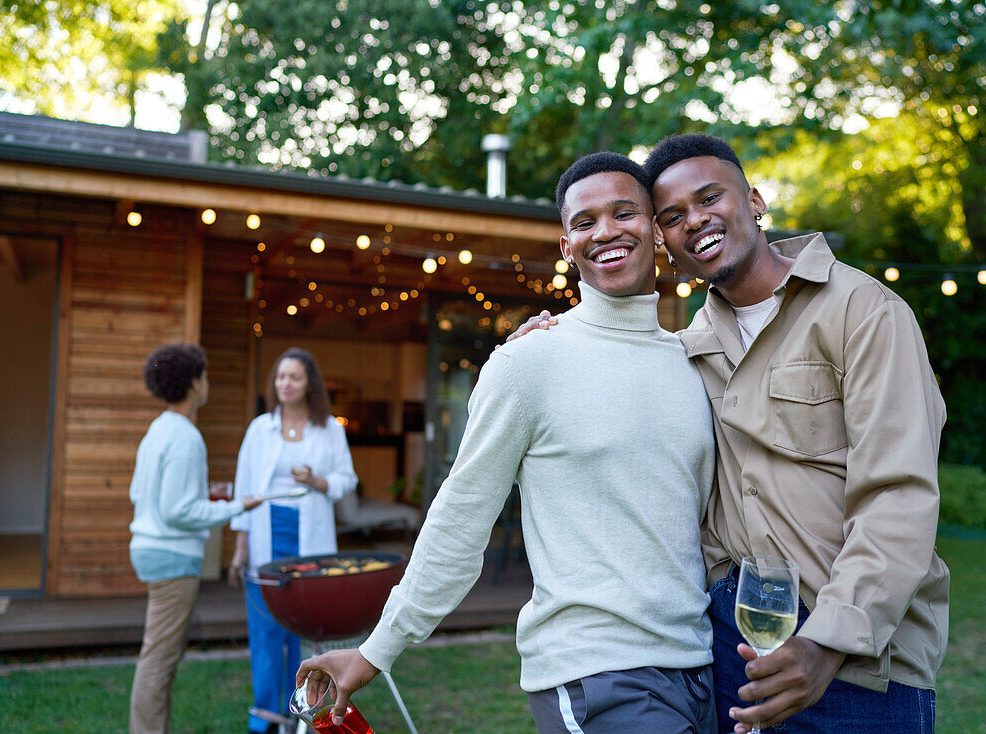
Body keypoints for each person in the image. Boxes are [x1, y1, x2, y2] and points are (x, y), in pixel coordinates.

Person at [514, 134, 950, 733]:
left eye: (709, 197)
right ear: (664, 241)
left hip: (855, 660)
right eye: (672, 216)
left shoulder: (863, 311)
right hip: (732, 652)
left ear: (754, 200)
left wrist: (826, 643)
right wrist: (554, 334)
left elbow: (898, 496)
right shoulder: (690, 346)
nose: (695, 220)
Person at [295, 152, 718, 734]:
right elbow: (461, 517)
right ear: (566, 246)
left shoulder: (697, 364)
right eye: (584, 222)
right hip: (596, 675)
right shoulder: (529, 361)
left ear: (657, 229)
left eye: (625, 213)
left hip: (702, 667)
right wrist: (377, 649)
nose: (606, 233)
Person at [128, 343, 262, 734]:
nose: (208, 382)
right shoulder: (186, 437)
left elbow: (141, 495)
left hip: (153, 551)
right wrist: (236, 506)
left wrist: (205, 498)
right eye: (204, 375)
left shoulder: (158, 430)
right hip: (172, 557)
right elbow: (178, 511)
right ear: (193, 382)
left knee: (159, 655)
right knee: (159, 660)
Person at [229, 347, 359, 734]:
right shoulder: (259, 428)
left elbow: (346, 480)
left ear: (309, 385)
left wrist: (317, 481)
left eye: (294, 377)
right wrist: (240, 546)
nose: (285, 384)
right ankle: (266, 718)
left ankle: (304, 714)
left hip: (310, 538)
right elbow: (243, 488)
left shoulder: (330, 429)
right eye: (280, 377)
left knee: (303, 633)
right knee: (266, 631)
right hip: (266, 534)